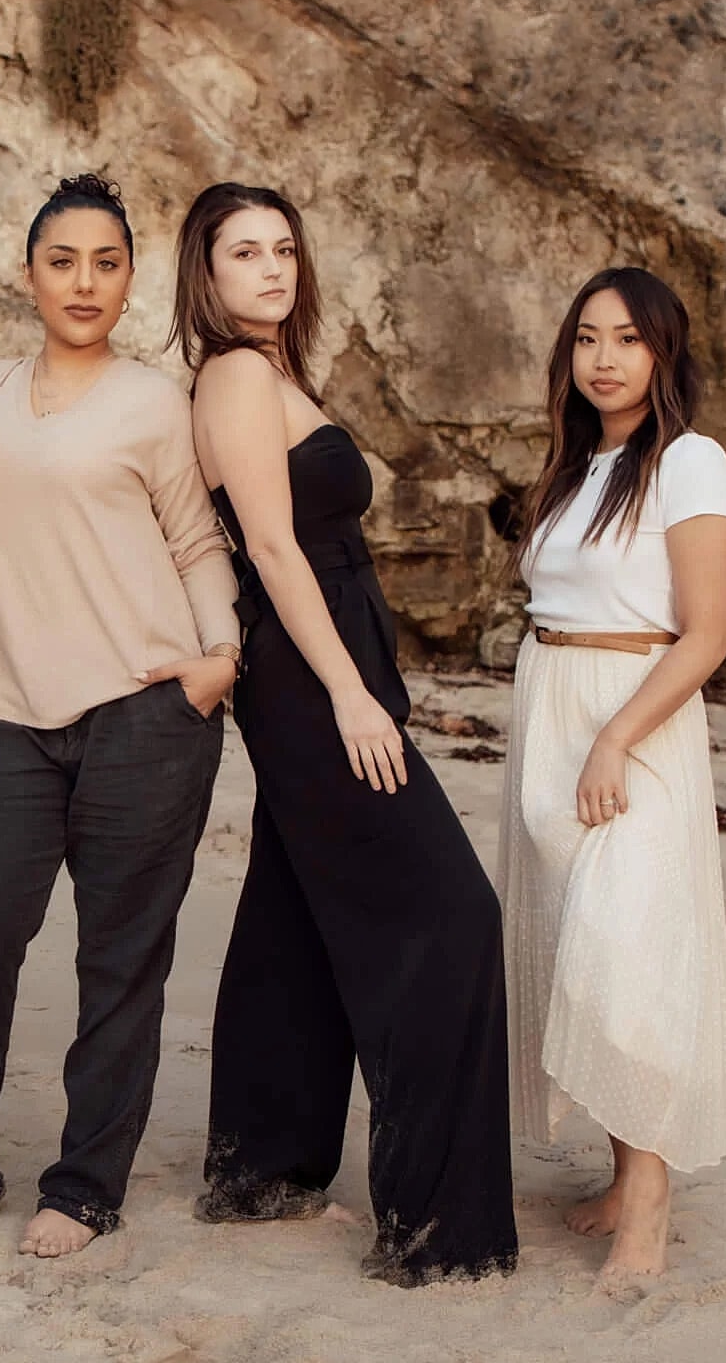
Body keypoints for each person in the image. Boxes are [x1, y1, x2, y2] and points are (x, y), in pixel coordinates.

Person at [0, 173, 239, 1259]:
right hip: (10, 722)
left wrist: (220, 658)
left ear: (129, 280)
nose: (84, 281)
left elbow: (196, 542)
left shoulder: (154, 403)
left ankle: (84, 1187)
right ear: (27, 274)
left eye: (107, 263)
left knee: (121, 959)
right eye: (63, 261)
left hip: (147, 713)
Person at [173, 184, 519, 1284]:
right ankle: (431, 1221)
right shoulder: (231, 373)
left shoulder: (274, 373)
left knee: (297, 907)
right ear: (206, 274)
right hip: (314, 675)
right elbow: (269, 551)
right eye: (244, 253)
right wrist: (347, 694)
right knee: (453, 916)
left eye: (284, 248)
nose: (271, 269)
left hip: (334, 665)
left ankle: (263, 1165)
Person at [501, 265, 726, 1283]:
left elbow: (706, 635)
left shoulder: (690, 463)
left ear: (664, 353)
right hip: (548, 708)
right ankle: (616, 1172)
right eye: (587, 338)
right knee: (573, 951)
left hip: (632, 718)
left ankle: (648, 1206)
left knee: (628, 952)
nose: (604, 359)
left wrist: (614, 738)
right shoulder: (572, 466)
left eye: (628, 340)